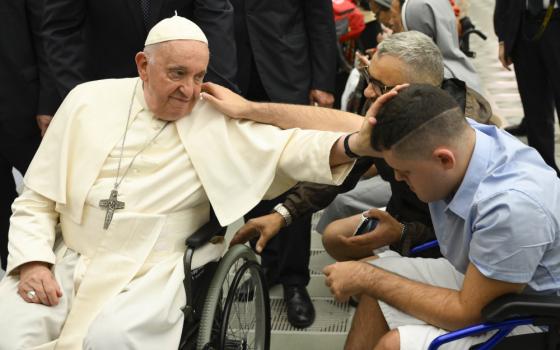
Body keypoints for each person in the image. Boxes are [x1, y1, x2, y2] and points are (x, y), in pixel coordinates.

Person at [0, 17, 362, 349]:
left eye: (199, 75)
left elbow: (303, 145)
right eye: (177, 73)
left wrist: (347, 142)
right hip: (69, 259)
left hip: (154, 273)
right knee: (13, 327)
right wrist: (33, 261)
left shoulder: (214, 116)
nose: (189, 91)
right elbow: (36, 199)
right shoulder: (86, 101)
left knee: (112, 337)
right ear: (143, 65)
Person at [203, 31, 491, 263]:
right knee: (334, 237)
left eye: (378, 85)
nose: (367, 92)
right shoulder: (394, 107)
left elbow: (463, 230)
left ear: (418, 90)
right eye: (367, 78)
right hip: (403, 216)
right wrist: (282, 214)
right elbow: (351, 158)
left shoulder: (458, 136)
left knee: (370, 289)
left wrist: (401, 234)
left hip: (450, 243)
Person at [323, 84, 560, 349]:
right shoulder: (458, 135)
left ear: (444, 160)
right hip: (489, 279)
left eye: (406, 172)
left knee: (395, 342)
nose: (399, 178)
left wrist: (367, 277)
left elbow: (467, 313)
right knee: (376, 285)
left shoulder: (511, 207)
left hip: (539, 318)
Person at [230, 0, 338, 328]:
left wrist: (323, 79)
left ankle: (294, 280)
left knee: (293, 175)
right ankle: (264, 263)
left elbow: (318, 16)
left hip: (287, 71)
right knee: (251, 174)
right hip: (235, 74)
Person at [42, 0, 239, 101]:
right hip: (108, 95)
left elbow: (215, 21)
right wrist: (82, 98)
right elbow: (62, 30)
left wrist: (211, 96)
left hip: (187, 96)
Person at [0, 0, 60, 270]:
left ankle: (54, 275)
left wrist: (48, 100)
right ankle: (16, 277)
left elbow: (46, 29)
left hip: (23, 106)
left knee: (52, 200)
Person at [494, 0, 560, 176]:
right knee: (534, 108)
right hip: (523, 25)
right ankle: (545, 173)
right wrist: (503, 37)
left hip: (556, 21)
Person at [381, 0, 483, 94]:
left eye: (398, 18)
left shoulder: (432, 80)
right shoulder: (464, 67)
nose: (391, 22)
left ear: (416, 29)